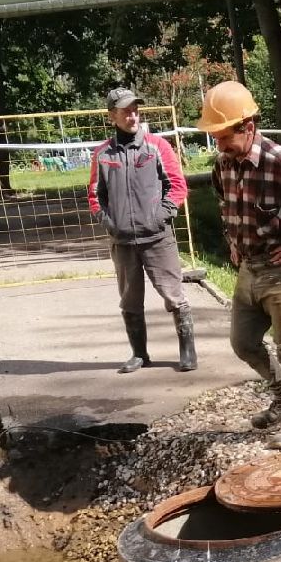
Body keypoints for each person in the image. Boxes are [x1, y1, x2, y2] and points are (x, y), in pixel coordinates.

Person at [197, 80, 281, 449]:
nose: (219, 145)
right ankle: (279, 397)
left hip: (280, 269)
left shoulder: (279, 161)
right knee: (243, 343)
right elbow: (224, 201)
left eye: (224, 136)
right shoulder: (224, 165)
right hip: (248, 269)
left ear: (247, 126)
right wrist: (233, 241)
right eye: (215, 138)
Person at [87, 87, 196, 373]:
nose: (133, 115)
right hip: (122, 242)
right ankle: (139, 354)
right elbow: (95, 195)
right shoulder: (101, 154)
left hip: (158, 238)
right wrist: (108, 222)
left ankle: (187, 351)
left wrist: (163, 215)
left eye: (135, 109)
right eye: (126, 111)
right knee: (130, 301)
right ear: (113, 116)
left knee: (174, 296)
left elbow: (177, 185)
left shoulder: (158, 147)